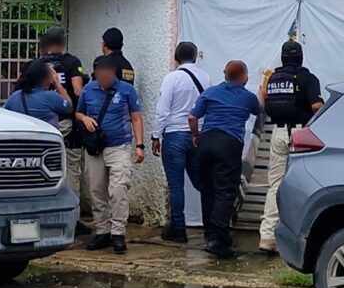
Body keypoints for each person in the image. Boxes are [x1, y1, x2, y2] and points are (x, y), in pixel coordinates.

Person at [189, 60, 261, 259]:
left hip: (206, 142)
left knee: (207, 189)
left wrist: (196, 136)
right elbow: (259, 110)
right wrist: (262, 95)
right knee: (225, 191)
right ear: (245, 77)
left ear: (224, 73)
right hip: (228, 144)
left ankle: (209, 233)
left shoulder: (210, 93)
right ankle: (218, 239)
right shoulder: (247, 97)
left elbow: (192, 118)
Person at [257, 41, 324, 254]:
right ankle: (301, 235)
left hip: (277, 133)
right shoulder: (308, 78)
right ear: (301, 57)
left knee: (275, 184)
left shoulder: (273, 79)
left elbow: (262, 102)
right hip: (300, 134)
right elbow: (316, 106)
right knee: (304, 184)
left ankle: (267, 236)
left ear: (283, 58)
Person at [75, 55, 146, 255]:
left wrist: (139, 145)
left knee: (118, 189)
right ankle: (102, 230)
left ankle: (118, 232)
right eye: (100, 74)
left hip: (120, 146)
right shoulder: (88, 89)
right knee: (96, 190)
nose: (104, 77)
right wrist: (85, 118)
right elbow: (78, 113)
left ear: (113, 72)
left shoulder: (127, 90)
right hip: (95, 148)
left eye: (107, 74)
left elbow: (136, 118)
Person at [152, 41, 212, 243]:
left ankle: (178, 229)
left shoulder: (172, 78)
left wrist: (155, 136)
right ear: (196, 57)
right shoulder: (205, 77)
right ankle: (211, 226)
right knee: (203, 183)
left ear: (176, 58)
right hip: (197, 136)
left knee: (176, 186)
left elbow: (162, 110)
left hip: (175, 136)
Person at [36, 27, 90, 235]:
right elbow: (78, 91)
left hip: (40, 124)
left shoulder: (36, 65)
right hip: (67, 123)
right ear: (62, 43)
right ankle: (73, 221)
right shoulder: (71, 62)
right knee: (71, 170)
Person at [4, 59, 72, 127]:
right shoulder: (50, 97)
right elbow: (69, 108)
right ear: (44, 79)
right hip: (45, 136)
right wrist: (56, 82)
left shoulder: (14, 97)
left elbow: (4, 114)